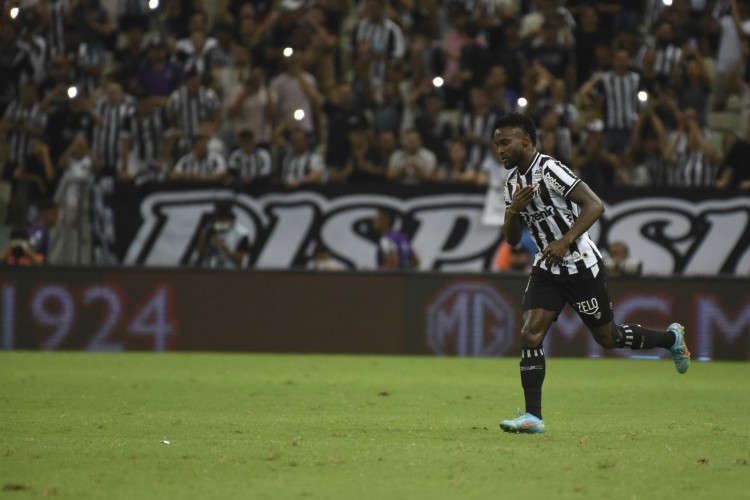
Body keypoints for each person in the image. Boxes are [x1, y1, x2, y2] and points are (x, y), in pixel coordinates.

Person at [493, 112, 690, 435]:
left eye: (505, 142)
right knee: (531, 332)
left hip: (579, 264)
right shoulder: (513, 183)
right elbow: (512, 238)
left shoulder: (550, 169)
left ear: (525, 141)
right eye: (496, 144)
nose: (499, 150)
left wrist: (565, 240)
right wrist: (513, 210)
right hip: (547, 268)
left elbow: (595, 205)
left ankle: (671, 339)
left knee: (608, 338)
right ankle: (533, 416)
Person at [195, 200, 251, 269]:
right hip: (209, 272)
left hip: (231, 273)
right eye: (218, 219)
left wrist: (223, 247)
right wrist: (202, 238)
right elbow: (201, 255)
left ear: (230, 218)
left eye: (223, 219)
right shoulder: (210, 229)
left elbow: (241, 260)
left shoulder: (242, 233)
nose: (220, 222)